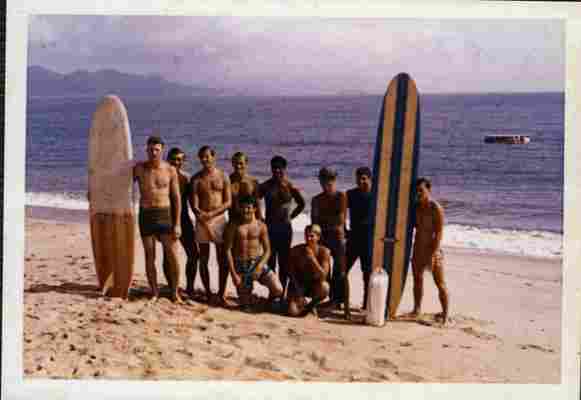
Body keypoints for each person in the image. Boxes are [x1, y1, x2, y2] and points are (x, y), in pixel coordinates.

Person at [133, 136, 182, 303]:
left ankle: (175, 292)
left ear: (162, 151)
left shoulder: (170, 170)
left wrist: (177, 224)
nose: (153, 152)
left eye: (157, 150)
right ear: (146, 150)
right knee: (149, 255)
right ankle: (154, 292)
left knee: (172, 255)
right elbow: (120, 185)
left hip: (164, 214)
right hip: (146, 214)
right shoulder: (138, 169)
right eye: (151, 149)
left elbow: (176, 198)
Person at [401, 177, 450, 325]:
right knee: (417, 280)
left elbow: (439, 233)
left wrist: (434, 253)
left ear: (429, 190)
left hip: (432, 250)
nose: (419, 193)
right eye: (416, 191)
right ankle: (416, 310)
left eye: (421, 190)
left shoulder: (436, 208)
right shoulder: (415, 207)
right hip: (418, 249)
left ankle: (445, 315)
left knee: (440, 282)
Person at [190, 145, 232, 306]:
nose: (205, 160)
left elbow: (228, 202)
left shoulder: (223, 176)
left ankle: (221, 293)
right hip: (201, 221)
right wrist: (202, 216)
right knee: (204, 258)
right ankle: (208, 293)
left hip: (219, 220)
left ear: (214, 157)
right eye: (202, 157)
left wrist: (212, 215)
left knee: (222, 258)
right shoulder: (196, 179)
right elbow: (194, 204)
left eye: (207, 156)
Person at [258, 155, 305, 296]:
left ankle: (282, 293)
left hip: (285, 228)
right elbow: (254, 201)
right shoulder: (266, 186)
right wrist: (260, 218)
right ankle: (273, 293)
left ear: (285, 169)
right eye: (274, 168)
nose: (277, 171)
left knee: (284, 262)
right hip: (270, 228)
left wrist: (291, 217)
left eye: (280, 169)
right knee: (270, 262)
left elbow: (302, 204)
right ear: (271, 169)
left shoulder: (290, 186)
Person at [224, 195, 283, 308]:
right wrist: (233, 274)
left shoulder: (261, 226)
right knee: (245, 305)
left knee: (278, 290)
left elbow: (267, 250)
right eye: (243, 208)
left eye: (249, 207)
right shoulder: (233, 225)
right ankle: (248, 298)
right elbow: (227, 251)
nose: (246, 210)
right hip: (240, 265)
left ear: (255, 209)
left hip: (257, 262)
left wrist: (260, 266)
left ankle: (267, 303)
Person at [163, 147, 199, 299]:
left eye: (179, 160)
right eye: (173, 159)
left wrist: (201, 217)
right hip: (166, 219)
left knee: (194, 254)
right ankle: (172, 286)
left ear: (183, 161)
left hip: (184, 220)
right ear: (168, 159)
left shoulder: (186, 179)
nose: (176, 162)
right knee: (168, 256)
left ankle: (190, 287)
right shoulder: (162, 176)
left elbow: (192, 203)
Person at [310, 167, 347, 316]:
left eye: (331, 179)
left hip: (337, 238)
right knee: (325, 270)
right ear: (320, 181)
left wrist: (323, 221)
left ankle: (338, 301)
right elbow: (314, 222)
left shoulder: (341, 196)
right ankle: (329, 299)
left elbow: (340, 220)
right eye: (324, 179)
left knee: (340, 271)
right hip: (323, 237)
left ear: (335, 180)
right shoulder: (316, 199)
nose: (327, 182)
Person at [344, 167, 373, 315]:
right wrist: (344, 229)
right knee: (343, 269)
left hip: (369, 238)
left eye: (364, 178)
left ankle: (366, 303)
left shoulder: (376, 194)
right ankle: (341, 300)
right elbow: (342, 211)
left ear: (369, 179)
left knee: (367, 273)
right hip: (354, 236)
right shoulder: (350, 194)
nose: (361, 182)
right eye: (358, 179)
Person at [287, 224, 331, 317]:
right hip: (298, 284)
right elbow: (291, 273)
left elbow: (323, 276)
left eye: (311, 236)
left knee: (325, 287)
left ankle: (311, 306)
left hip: (313, 286)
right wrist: (298, 292)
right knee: (293, 312)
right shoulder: (296, 250)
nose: (308, 238)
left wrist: (312, 259)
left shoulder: (324, 252)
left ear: (318, 237)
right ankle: (301, 303)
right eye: (306, 235)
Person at [229, 152, 262, 224]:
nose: (238, 166)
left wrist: (260, 223)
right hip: (233, 221)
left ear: (246, 163)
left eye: (241, 163)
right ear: (232, 163)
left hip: (249, 223)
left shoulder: (253, 182)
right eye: (235, 163)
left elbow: (257, 204)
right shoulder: (228, 181)